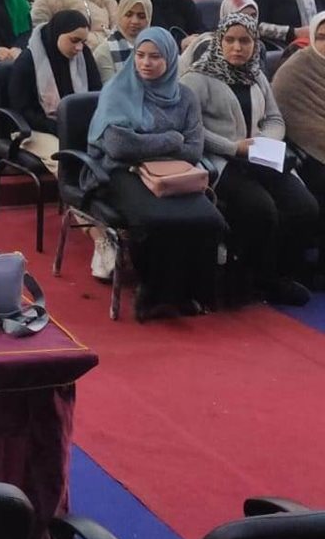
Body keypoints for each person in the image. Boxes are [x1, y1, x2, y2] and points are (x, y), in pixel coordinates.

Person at [86, 27, 225, 320]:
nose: (146, 63)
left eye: (155, 57)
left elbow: (194, 150)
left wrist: (144, 143)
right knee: (155, 219)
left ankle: (187, 293)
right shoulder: (118, 91)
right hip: (122, 172)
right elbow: (118, 146)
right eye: (140, 55)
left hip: (174, 173)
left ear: (170, 59)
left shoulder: (185, 97)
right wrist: (171, 139)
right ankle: (152, 295)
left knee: (207, 218)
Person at [182, 12, 316, 306]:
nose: (237, 47)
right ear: (219, 41)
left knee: (304, 207)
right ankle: (255, 276)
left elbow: (274, 117)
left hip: (260, 155)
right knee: (261, 209)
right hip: (223, 160)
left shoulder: (256, 75)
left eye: (245, 41)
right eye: (230, 40)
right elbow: (192, 128)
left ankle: (281, 273)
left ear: (255, 44)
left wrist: (265, 140)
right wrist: (234, 147)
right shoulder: (197, 78)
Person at [9, 10, 101, 173]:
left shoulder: (83, 55)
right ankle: (73, 190)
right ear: (57, 33)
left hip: (75, 126)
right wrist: (58, 127)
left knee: (106, 156)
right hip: (35, 129)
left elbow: (95, 94)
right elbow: (22, 110)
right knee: (67, 161)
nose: (79, 48)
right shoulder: (28, 61)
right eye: (74, 40)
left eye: (83, 42)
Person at [271, 11, 325, 285]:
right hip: (303, 148)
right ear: (312, 37)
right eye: (322, 37)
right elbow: (290, 118)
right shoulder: (297, 69)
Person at [94, 0, 153, 83]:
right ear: (120, 15)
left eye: (141, 16)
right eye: (128, 15)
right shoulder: (105, 51)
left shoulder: (157, 47)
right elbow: (109, 88)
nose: (134, 21)